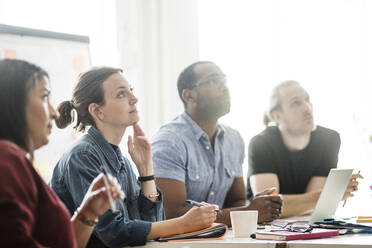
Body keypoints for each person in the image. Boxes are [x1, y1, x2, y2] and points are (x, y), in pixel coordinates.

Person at [50, 67, 217, 248]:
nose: (134, 99)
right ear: (97, 111)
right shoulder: (82, 156)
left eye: (131, 90)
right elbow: (113, 233)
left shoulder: (123, 162)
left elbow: (152, 225)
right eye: (121, 94)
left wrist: (146, 171)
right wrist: (183, 224)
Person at [0, 59, 124, 248]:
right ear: (12, 102)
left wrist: (88, 212)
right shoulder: (7, 161)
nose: (55, 113)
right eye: (44, 97)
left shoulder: (14, 160)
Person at [151, 61, 283, 226]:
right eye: (213, 81)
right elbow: (172, 214)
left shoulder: (233, 139)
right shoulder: (169, 141)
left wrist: (255, 207)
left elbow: (236, 201)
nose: (224, 87)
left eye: (224, 81)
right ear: (189, 96)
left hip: (220, 239)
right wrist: (251, 212)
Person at [247, 80, 361, 218]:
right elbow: (268, 207)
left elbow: (314, 206)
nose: (307, 108)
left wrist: (322, 198)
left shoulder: (329, 139)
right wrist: (331, 194)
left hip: (304, 223)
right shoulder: (261, 143)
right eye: (296, 103)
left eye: (307, 100)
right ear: (277, 116)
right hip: (262, 230)